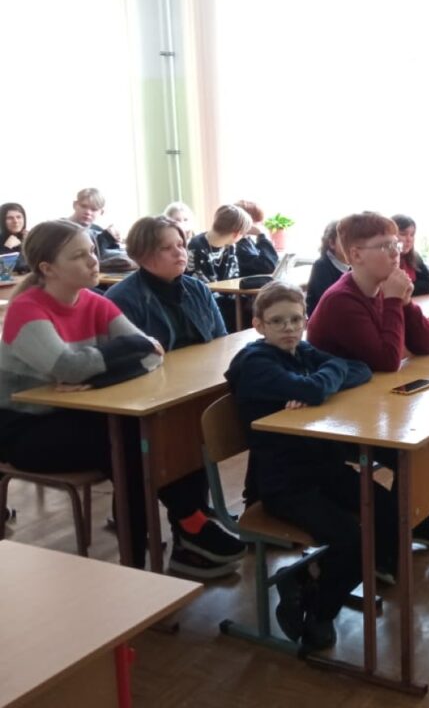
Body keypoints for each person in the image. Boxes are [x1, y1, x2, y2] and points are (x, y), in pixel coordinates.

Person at [226, 281, 387, 651]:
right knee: (350, 536)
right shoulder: (256, 363)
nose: (288, 328)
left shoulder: (302, 351)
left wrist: (315, 384)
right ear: (258, 325)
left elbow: (359, 369)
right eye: (277, 321)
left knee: (389, 510)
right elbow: (318, 388)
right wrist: (316, 386)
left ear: (305, 321)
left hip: (324, 469)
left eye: (296, 319)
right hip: (286, 484)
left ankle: (306, 579)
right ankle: (320, 613)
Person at [0, 219, 162, 567]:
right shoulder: (26, 309)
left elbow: (152, 354)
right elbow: (69, 367)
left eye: (92, 251)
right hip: (23, 429)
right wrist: (126, 350)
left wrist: (97, 377)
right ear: (48, 269)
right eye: (78, 256)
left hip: (77, 413)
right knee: (129, 445)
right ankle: (139, 555)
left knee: (145, 435)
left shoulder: (94, 301)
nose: (93, 261)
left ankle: (148, 545)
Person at [105, 216, 246, 579]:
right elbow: (132, 359)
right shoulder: (123, 298)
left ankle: (193, 530)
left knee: (204, 430)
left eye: (181, 245)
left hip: (192, 389)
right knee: (174, 444)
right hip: (149, 399)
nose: (179, 253)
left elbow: (219, 342)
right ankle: (191, 526)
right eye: (167, 248)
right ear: (142, 254)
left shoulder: (196, 288)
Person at [306, 212, 429, 547]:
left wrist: (405, 302)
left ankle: (411, 524)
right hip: (336, 421)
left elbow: (428, 343)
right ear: (356, 255)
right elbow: (386, 361)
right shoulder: (342, 300)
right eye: (384, 246)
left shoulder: (382, 289)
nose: (395, 252)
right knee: (421, 456)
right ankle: (394, 537)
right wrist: (396, 301)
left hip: (371, 406)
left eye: (396, 244)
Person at [187, 203, 252, 330]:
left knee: (251, 307)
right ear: (236, 234)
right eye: (243, 234)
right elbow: (198, 282)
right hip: (205, 300)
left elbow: (233, 277)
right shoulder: (195, 246)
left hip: (227, 298)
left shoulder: (230, 247)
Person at [69, 187, 135, 272]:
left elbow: (106, 253)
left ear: (101, 212)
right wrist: (106, 238)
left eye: (94, 209)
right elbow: (82, 255)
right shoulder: (60, 228)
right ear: (74, 205)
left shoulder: (96, 229)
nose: (88, 212)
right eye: (83, 206)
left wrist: (114, 240)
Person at [305, 219, 349, 316]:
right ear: (332, 243)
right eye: (345, 240)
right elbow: (329, 302)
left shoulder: (354, 266)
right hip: (325, 317)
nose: (351, 245)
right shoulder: (321, 266)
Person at [234, 200, 280, 277]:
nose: (258, 225)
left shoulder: (247, 240)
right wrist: (261, 235)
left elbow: (271, 261)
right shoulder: (236, 246)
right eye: (256, 221)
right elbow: (268, 267)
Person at [392, 214, 429, 296]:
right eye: (403, 234)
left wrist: (406, 287)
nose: (409, 239)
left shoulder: (415, 257)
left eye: (412, 235)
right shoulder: (385, 259)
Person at [0, 202, 29, 273]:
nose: (15, 221)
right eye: (10, 218)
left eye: (19, 217)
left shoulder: (32, 237)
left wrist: (25, 243)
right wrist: (7, 248)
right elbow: (4, 270)